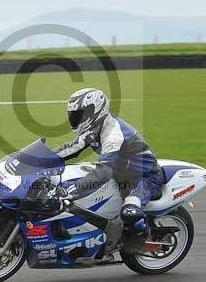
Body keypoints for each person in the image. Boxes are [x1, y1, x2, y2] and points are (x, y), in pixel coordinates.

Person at [54, 87, 163, 234]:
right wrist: (33, 159)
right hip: (120, 175)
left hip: (144, 177)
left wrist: (71, 192)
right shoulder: (94, 128)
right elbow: (70, 149)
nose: (75, 119)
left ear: (95, 111)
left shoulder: (113, 133)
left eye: (80, 115)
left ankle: (143, 233)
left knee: (129, 211)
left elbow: (104, 171)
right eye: (74, 115)